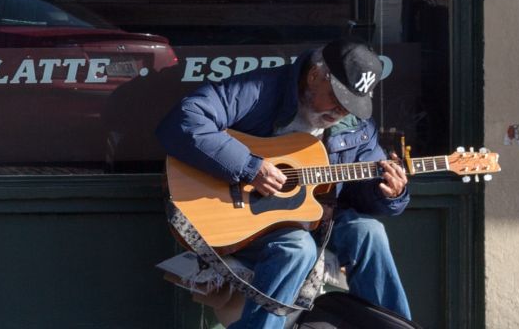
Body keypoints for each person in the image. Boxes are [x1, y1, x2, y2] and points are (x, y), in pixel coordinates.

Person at [157, 40, 411, 329]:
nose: (341, 110)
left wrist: (390, 193)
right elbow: (184, 121)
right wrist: (250, 167)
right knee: (296, 247)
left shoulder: (356, 127)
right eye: (337, 97)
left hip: (318, 221)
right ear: (315, 75)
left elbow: (360, 191)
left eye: (352, 104)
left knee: (370, 232)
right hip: (249, 224)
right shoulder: (260, 90)